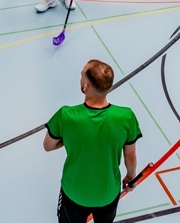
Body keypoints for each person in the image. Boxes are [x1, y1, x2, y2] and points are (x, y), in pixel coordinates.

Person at [44, 60, 143, 223]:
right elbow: (130, 156)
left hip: (74, 192)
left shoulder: (66, 115)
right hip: (107, 193)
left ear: (86, 87)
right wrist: (131, 178)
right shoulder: (126, 117)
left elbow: (48, 145)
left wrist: (70, 137)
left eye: (82, 74)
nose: (81, 77)